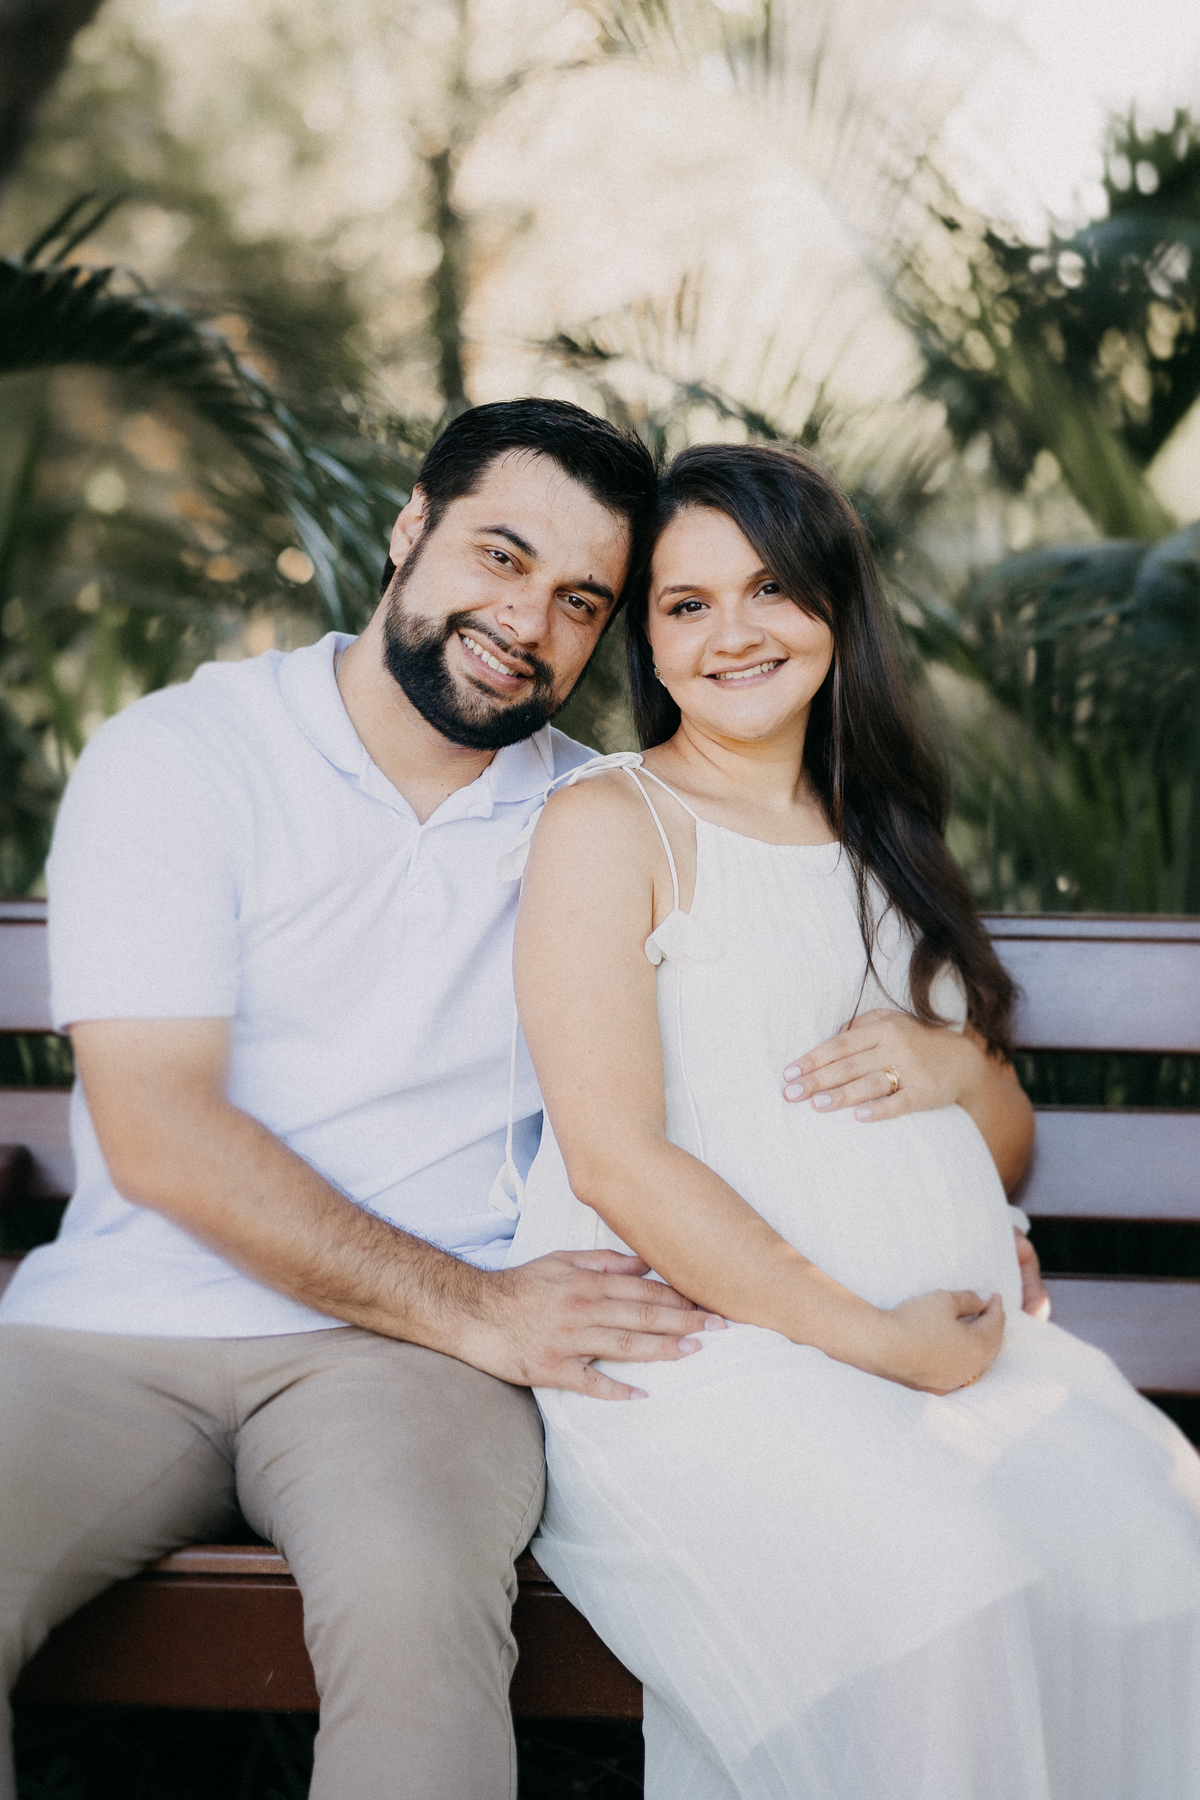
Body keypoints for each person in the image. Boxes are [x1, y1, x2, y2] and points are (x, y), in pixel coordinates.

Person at [0, 399, 729, 1800]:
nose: (527, 621)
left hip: (409, 1371)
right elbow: (160, 1134)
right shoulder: (185, 754)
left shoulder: (605, 820)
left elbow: (783, 1041)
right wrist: (481, 1310)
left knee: (415, 1612)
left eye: (581, 599)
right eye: (501, 556)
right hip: (121, 1328)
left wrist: (949, 1164)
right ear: (411, 527)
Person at [507, 442, 1200, 1799]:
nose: (734, 633)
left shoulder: (883, 831)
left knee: (1154, 1546)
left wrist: (957, 1068)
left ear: (836, 604)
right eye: (687, 604)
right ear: (650, 642)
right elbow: (615, 1161)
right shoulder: (613, 822)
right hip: (714, 1359)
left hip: (958, 1357)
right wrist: (880, 1341)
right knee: (946, 1590)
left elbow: (1003, 1148)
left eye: (771, 588)